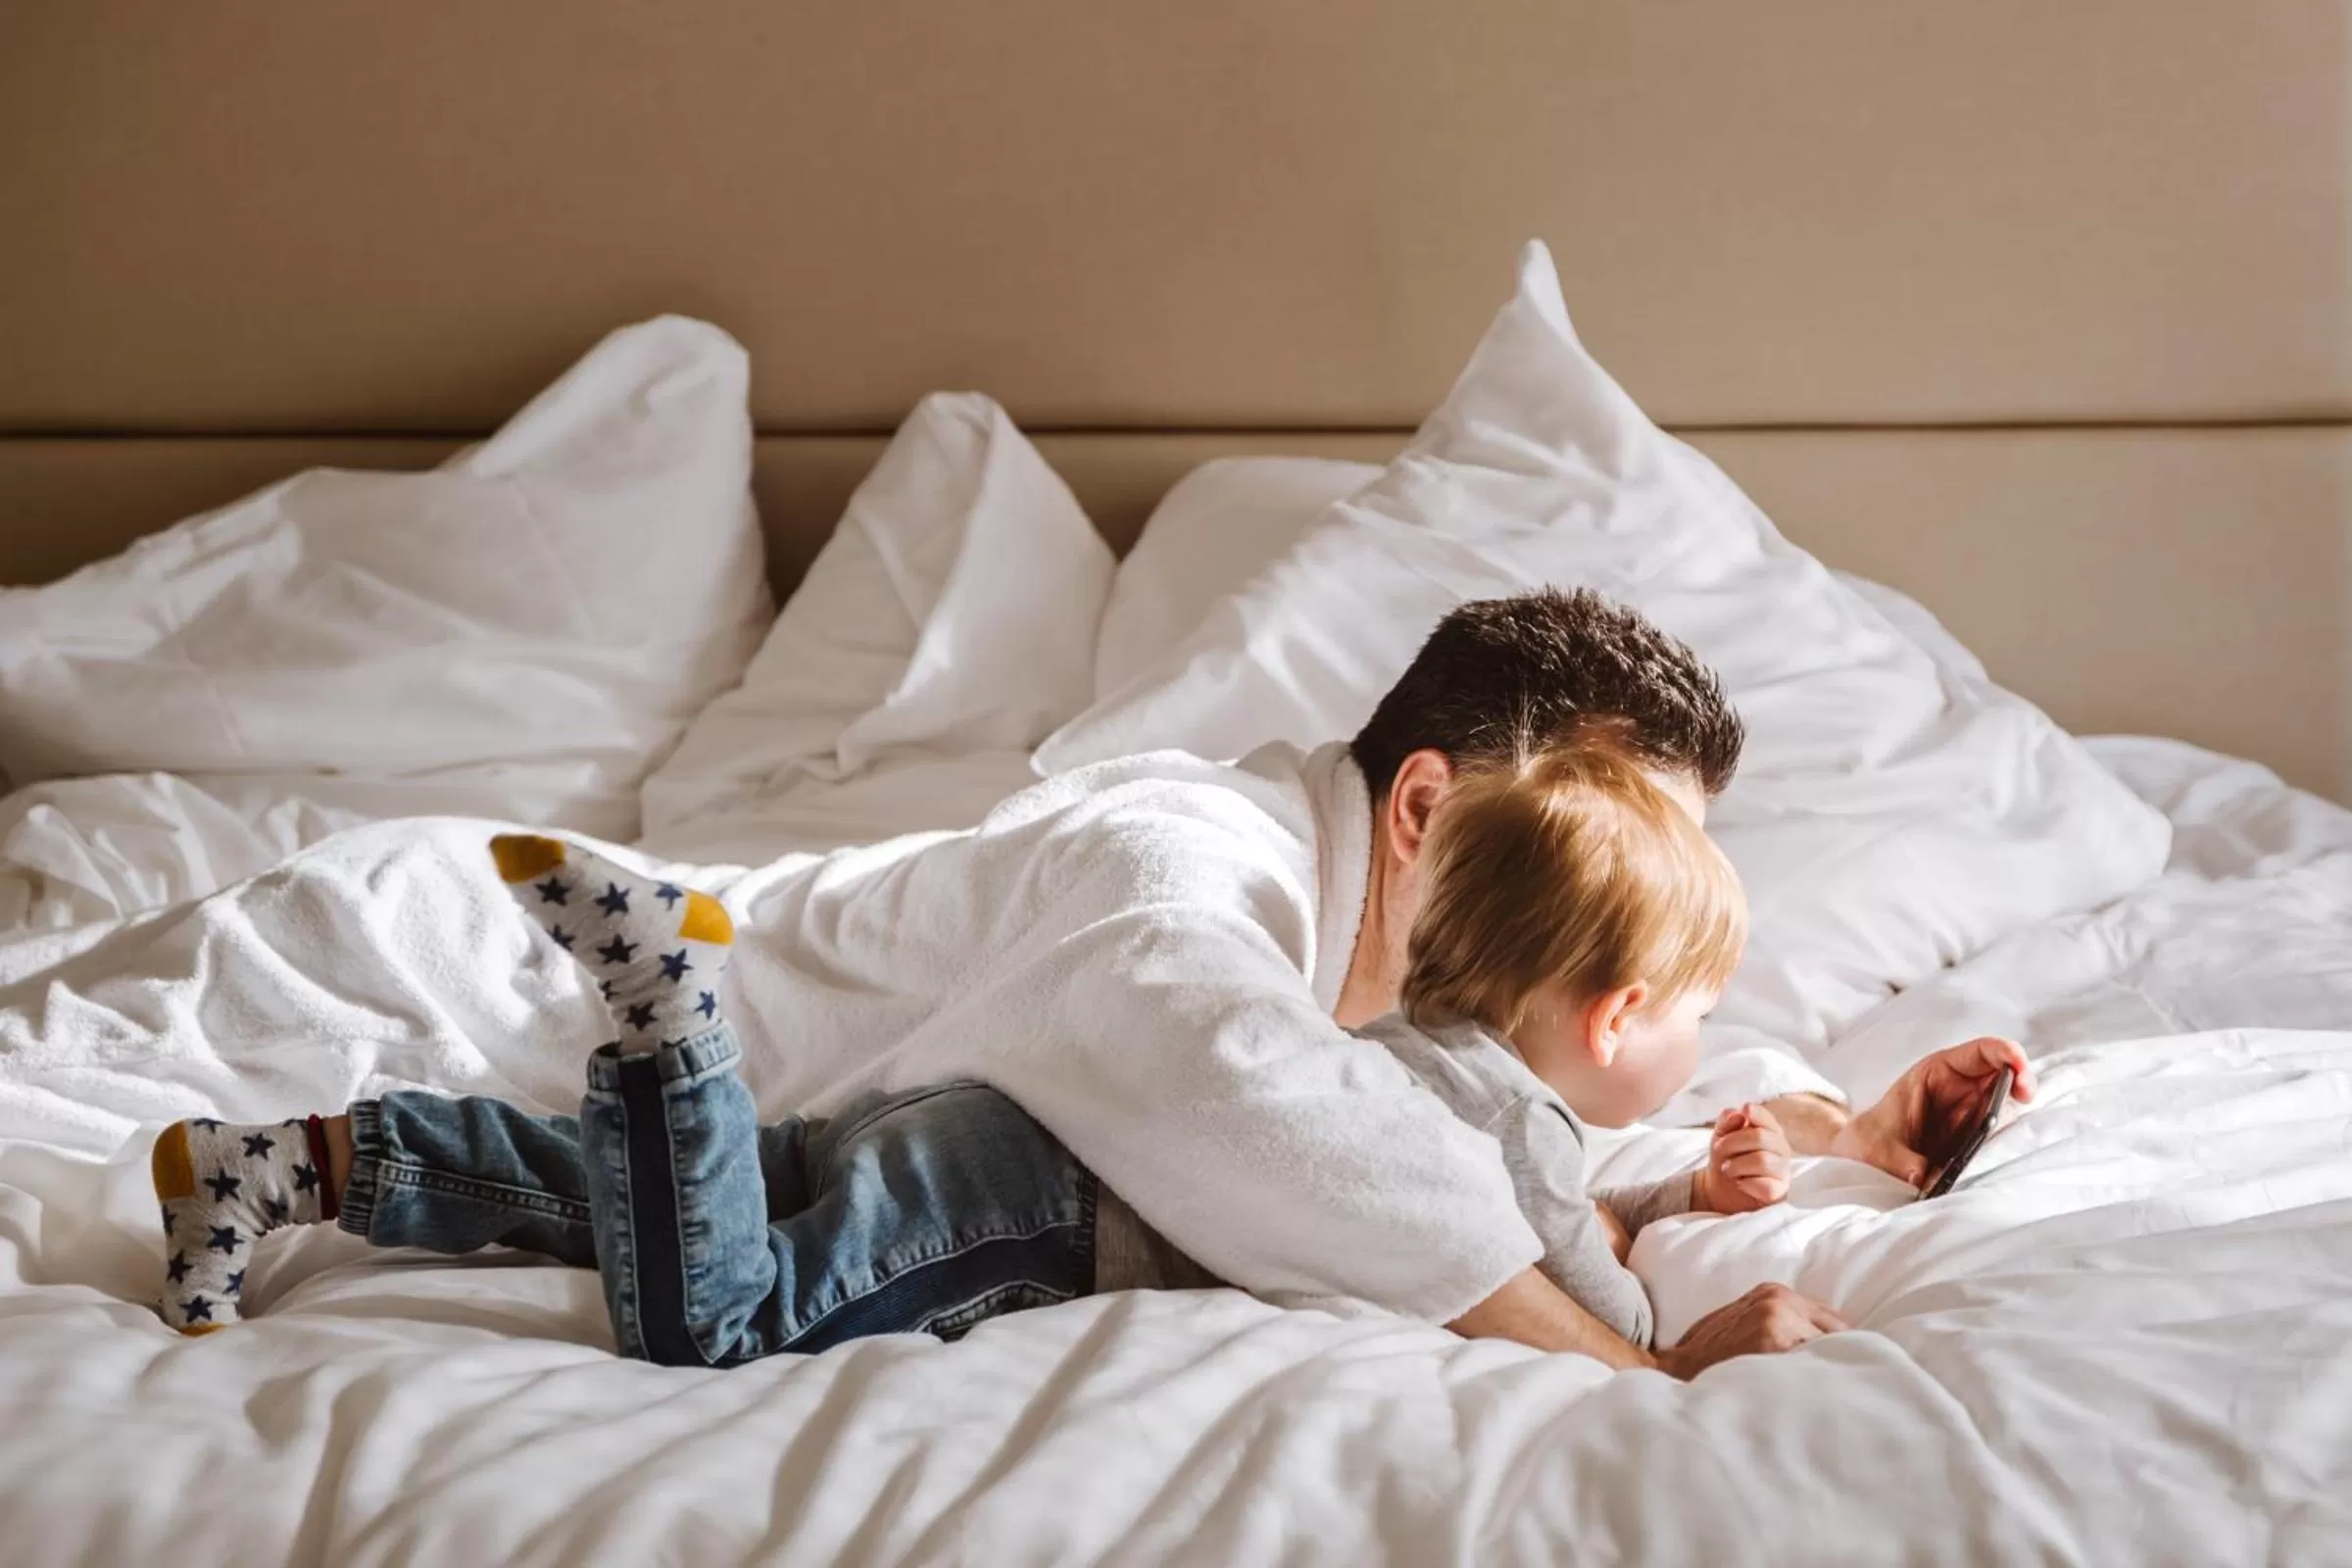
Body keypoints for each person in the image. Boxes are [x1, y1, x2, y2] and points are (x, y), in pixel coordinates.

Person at [149, 588, 2032, 1373]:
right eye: (1608, 827)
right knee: (725, 1304)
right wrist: (1634, 1370)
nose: (1604, 905)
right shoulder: (1176, 858)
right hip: (464, 949)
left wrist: (1842, 1133)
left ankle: (317, 1164)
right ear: (1426, 802)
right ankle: (550, 1072)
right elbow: (1259, 1099)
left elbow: (1558, 1088)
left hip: (794, 1108)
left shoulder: (1414, 989)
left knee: (633, 1194)